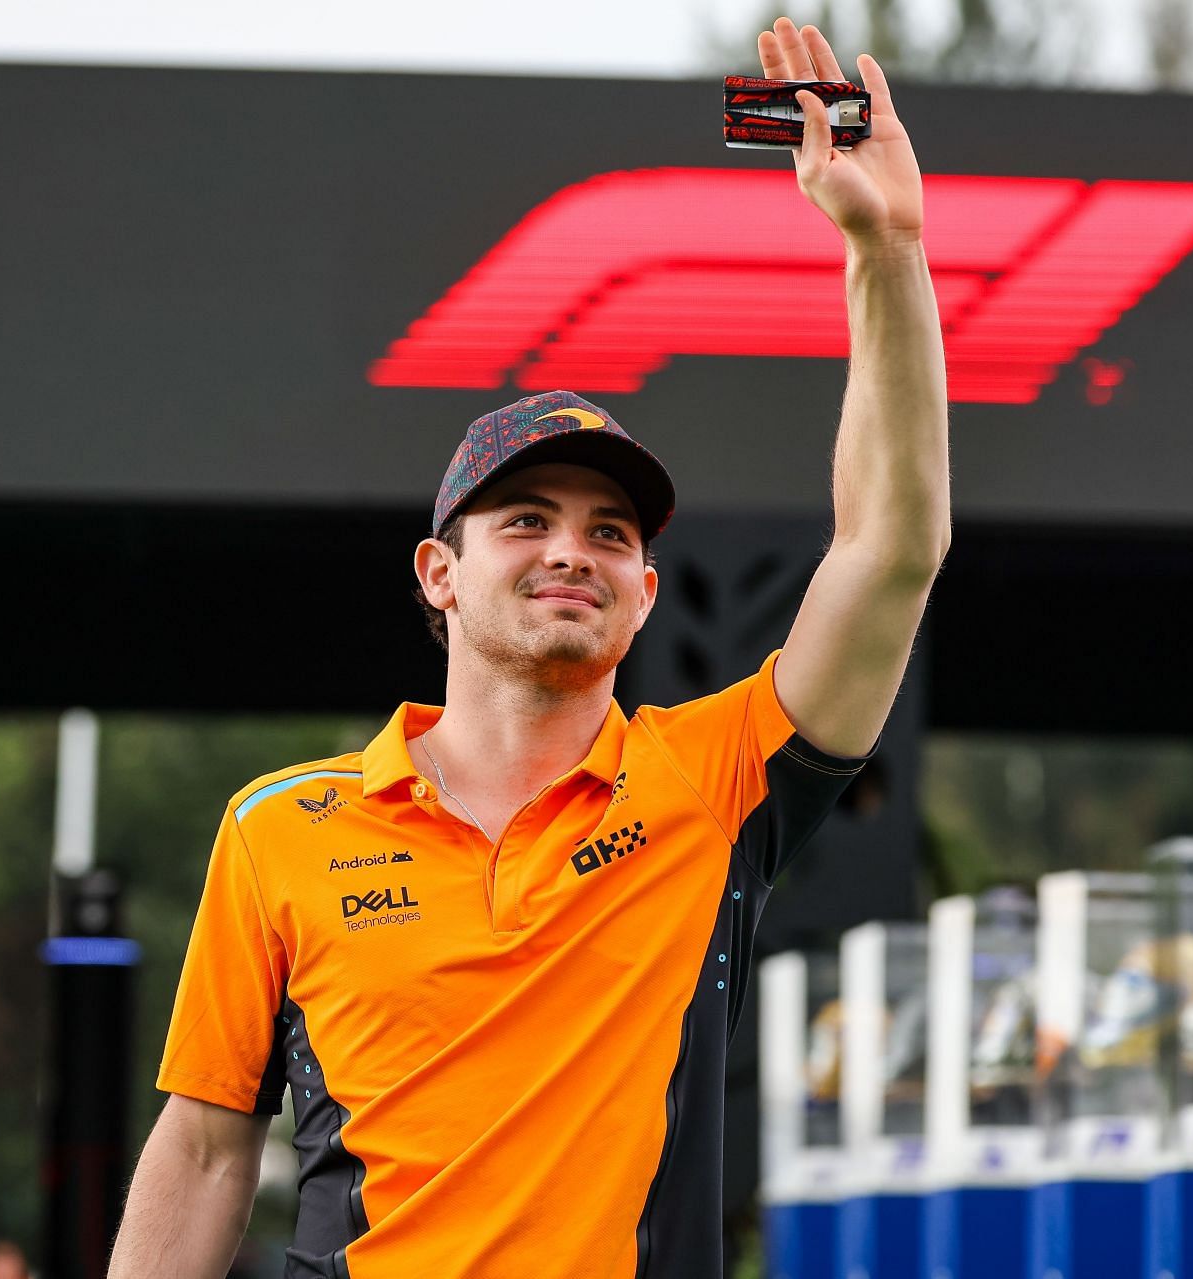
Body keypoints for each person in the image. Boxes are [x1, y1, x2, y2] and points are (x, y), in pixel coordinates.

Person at [107, 17, 947, 1278]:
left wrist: (885, 251)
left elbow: (891, 549)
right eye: (527, 520)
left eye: (610, 532)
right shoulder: (277, 829)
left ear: (647, 593)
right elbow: (207, 1149)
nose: (573, 550)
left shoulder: (713, 784)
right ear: (439, 575)